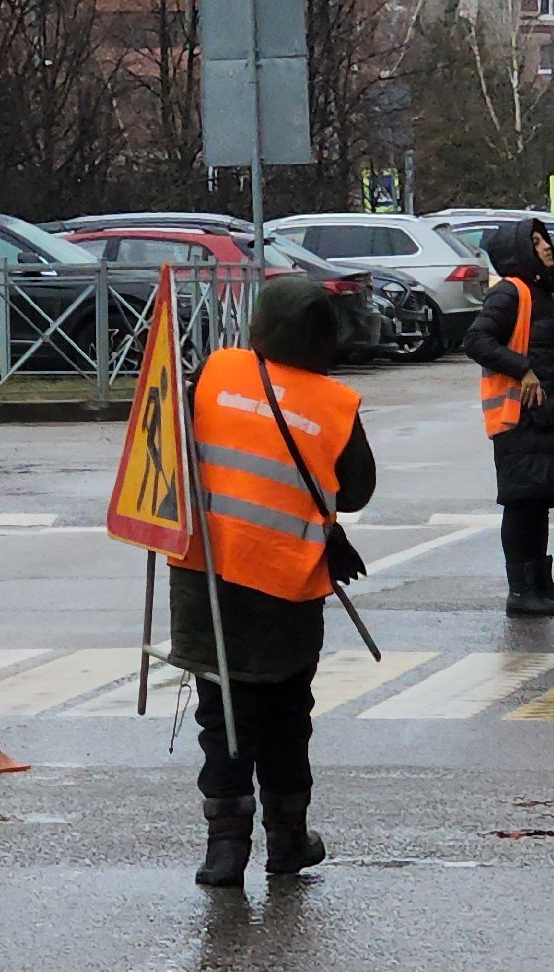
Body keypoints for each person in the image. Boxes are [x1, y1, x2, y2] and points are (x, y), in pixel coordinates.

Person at [168, 276, 376, 889]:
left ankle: (225, 847)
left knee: (223, 714)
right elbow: (358, 490)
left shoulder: (214, 372)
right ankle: (288, 840)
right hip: (288, 584)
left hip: (208, 579)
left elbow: (172, 441)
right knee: (287, 715)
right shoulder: (335, 405)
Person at [465, 218, 554, 617]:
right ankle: (520, 591)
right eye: (535, 242)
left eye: (545, 239)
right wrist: (522, 369)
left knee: (537, 503)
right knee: (521, 503)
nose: (546, 246)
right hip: (517, 417)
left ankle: (540, 586)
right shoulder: (512, 293)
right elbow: (476, 340)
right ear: (519, 252)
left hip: (544, 417)